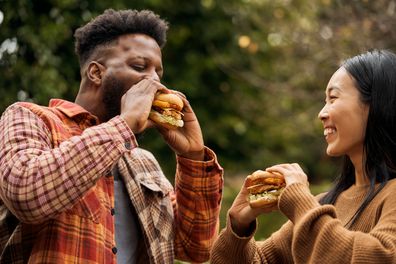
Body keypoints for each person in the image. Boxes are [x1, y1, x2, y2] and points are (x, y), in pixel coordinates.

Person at [0, 9, 223, 264]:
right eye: (140, 67)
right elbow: (27, 195)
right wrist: (125, 125)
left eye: (158, 73)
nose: (155, 82)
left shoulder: (143, 162)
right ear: (96, 73)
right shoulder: (30, 117)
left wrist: (193, 156)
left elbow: (196, 248)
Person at [210, 49, 396, 263]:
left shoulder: (313, 209)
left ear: (374, 105)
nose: (321, 113)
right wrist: (239, 226)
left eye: (333, 98)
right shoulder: (324, 203)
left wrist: (299, 201)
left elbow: (378, 257)